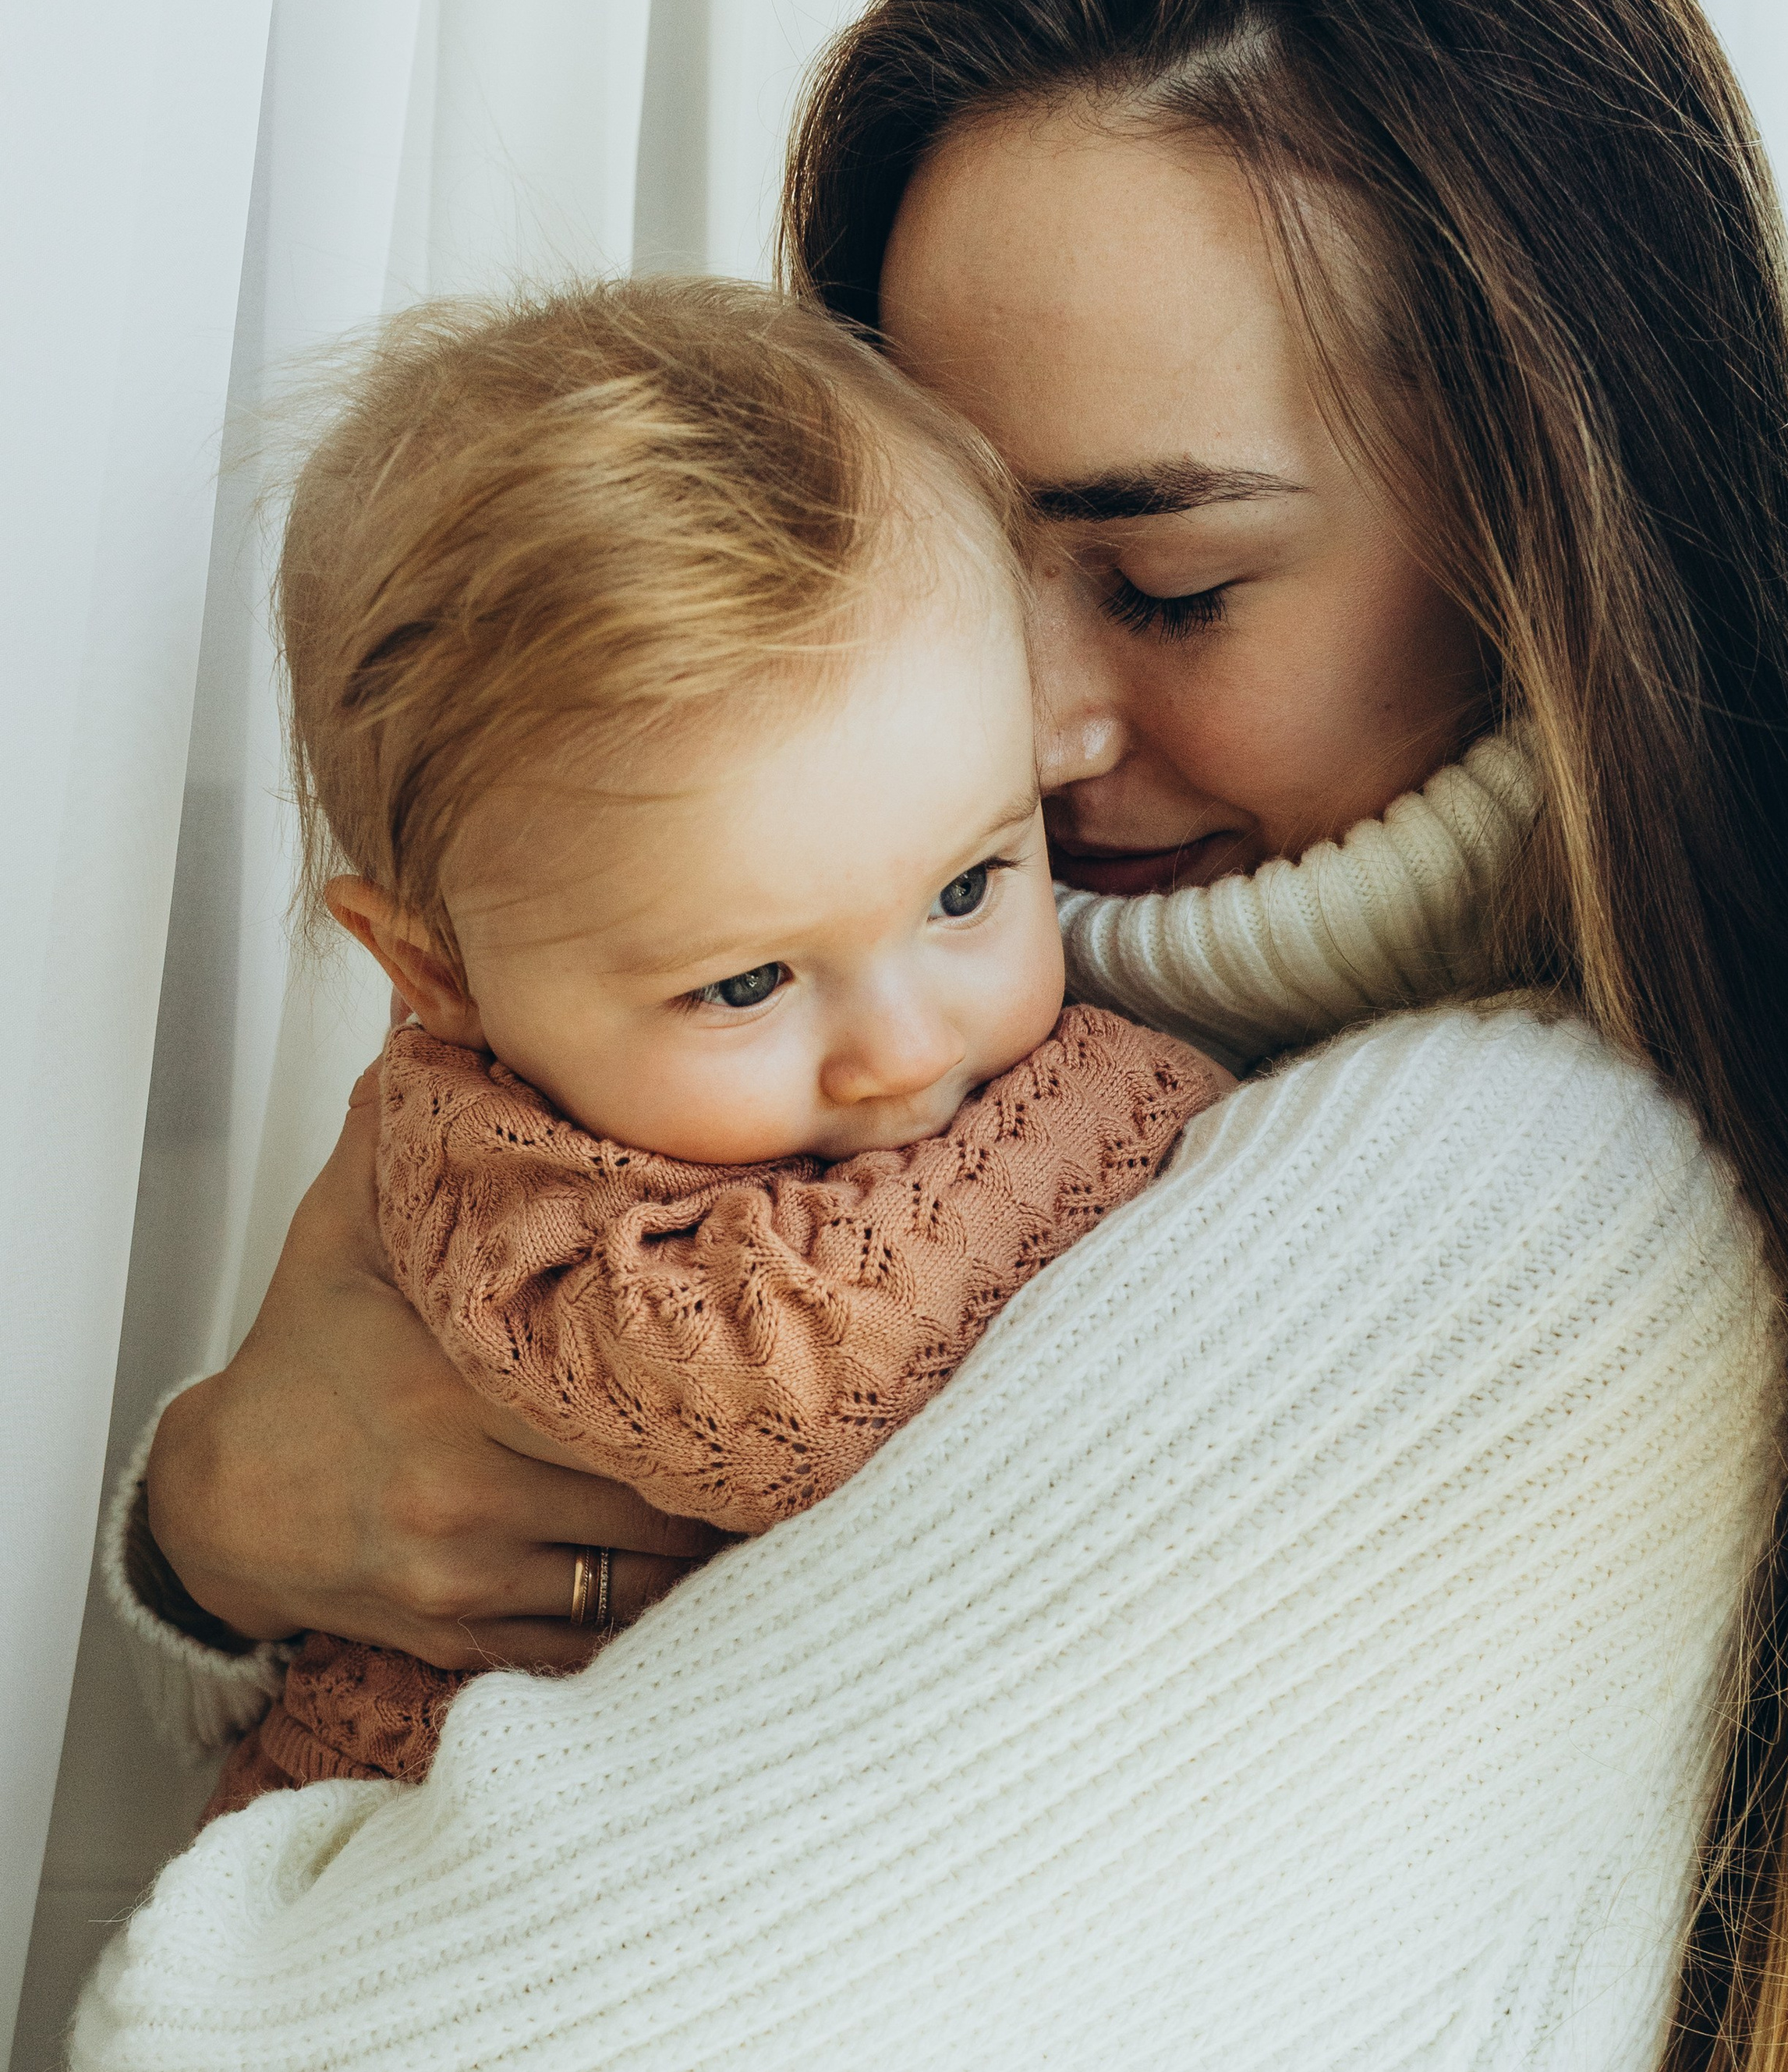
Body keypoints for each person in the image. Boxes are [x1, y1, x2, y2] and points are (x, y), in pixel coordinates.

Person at [44, 0, 1788, 2072]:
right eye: (928, 532)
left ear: (1553, 555)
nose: (1009, 730)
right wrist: (225, 1517)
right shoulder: (842, 1137)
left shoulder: (1515, 1227)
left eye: (1163, 588)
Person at [205, 273, 1225, 1819]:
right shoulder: (485, 1164)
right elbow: (777, 1387)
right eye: (746, 985)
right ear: (437, 973)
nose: (898, 1046)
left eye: (966, 886)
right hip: (382, 1871)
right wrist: (1138, 1097)